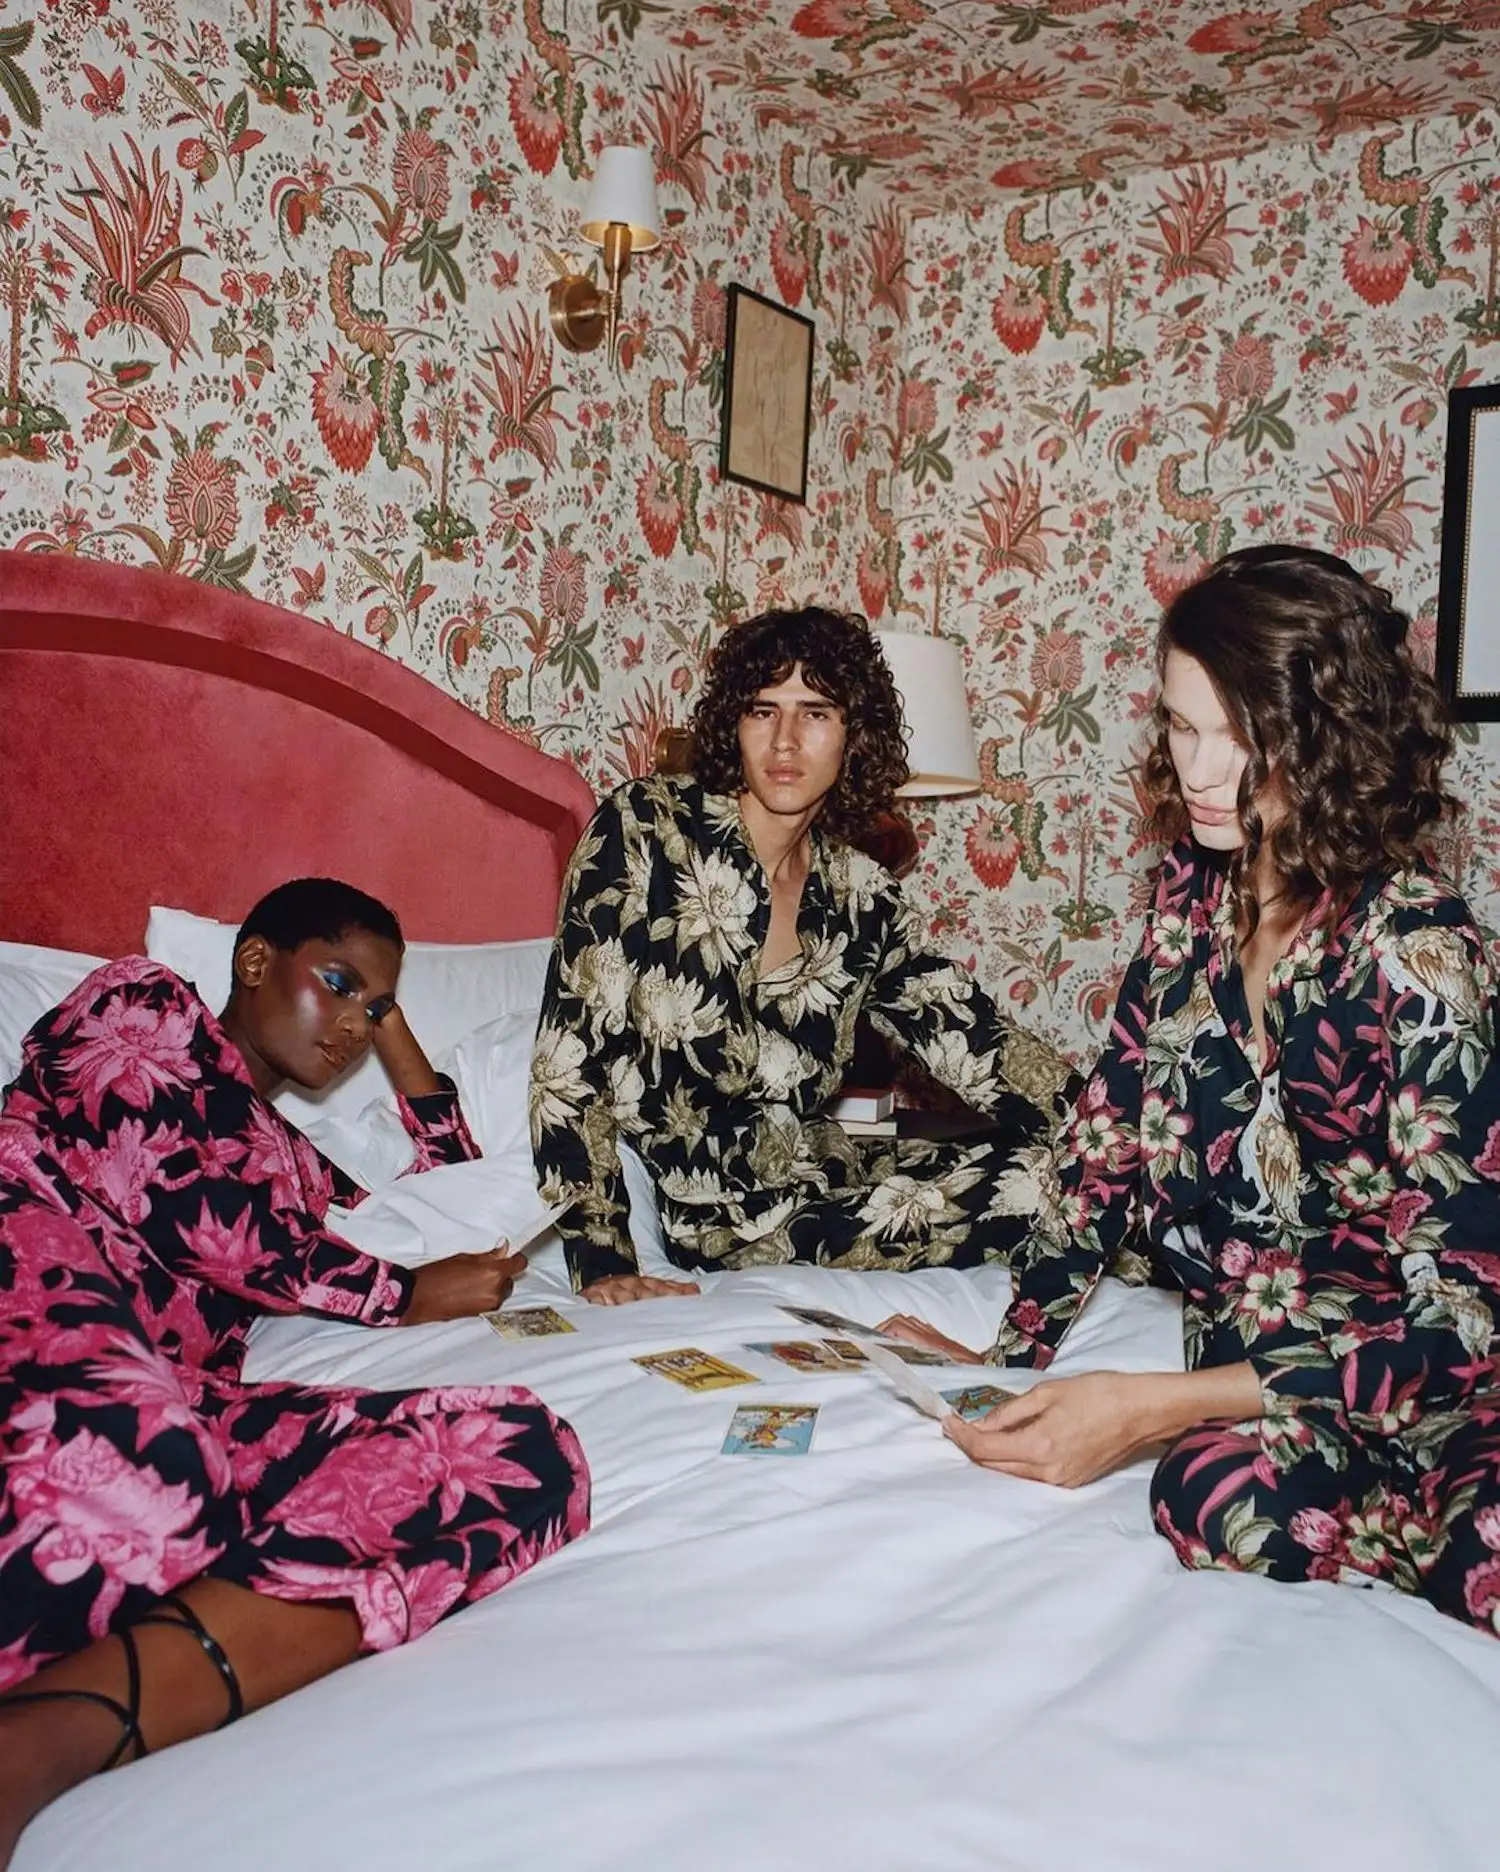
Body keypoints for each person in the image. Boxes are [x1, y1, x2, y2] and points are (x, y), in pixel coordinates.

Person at [880, 545, 1500, 1637]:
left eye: (1244, 738)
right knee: (1207, 1497)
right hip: (1264, 1404)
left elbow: (1463, 1324)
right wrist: (1006, 1359)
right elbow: (1105, 1148)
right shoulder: (1186, 907)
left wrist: (1156, 1404)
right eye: (1180, 726)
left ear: (1330, 738)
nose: (1203, 772)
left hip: (1434, 1388)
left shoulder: (1418, 949)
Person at [0, 878, 590, 1863]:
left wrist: (393, 1022)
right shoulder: (141, 1007)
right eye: (340, 983)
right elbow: (181, 1196)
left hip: (163, 1395)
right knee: (156, 1474)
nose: (355, 1024)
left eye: (376, 1004)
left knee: (516, 1453)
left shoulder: (292, 1160)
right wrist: (402, 1294)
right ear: (255, 961)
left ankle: (58, 1730)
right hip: (32, 1283)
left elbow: (444, 1174)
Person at [530, 605, 1079, 1305]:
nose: (785, 740)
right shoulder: (645, 832)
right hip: (727, 1225)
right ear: (734, 721)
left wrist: (1118, 1127)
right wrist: (603, 1261)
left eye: (816, 712)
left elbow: (973, 1042)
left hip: (832, 1174)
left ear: (854, 736)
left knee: (1082, 1169)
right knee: (1038, 1189)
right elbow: (568, 1063)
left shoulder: (862, 893)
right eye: (764, 709)